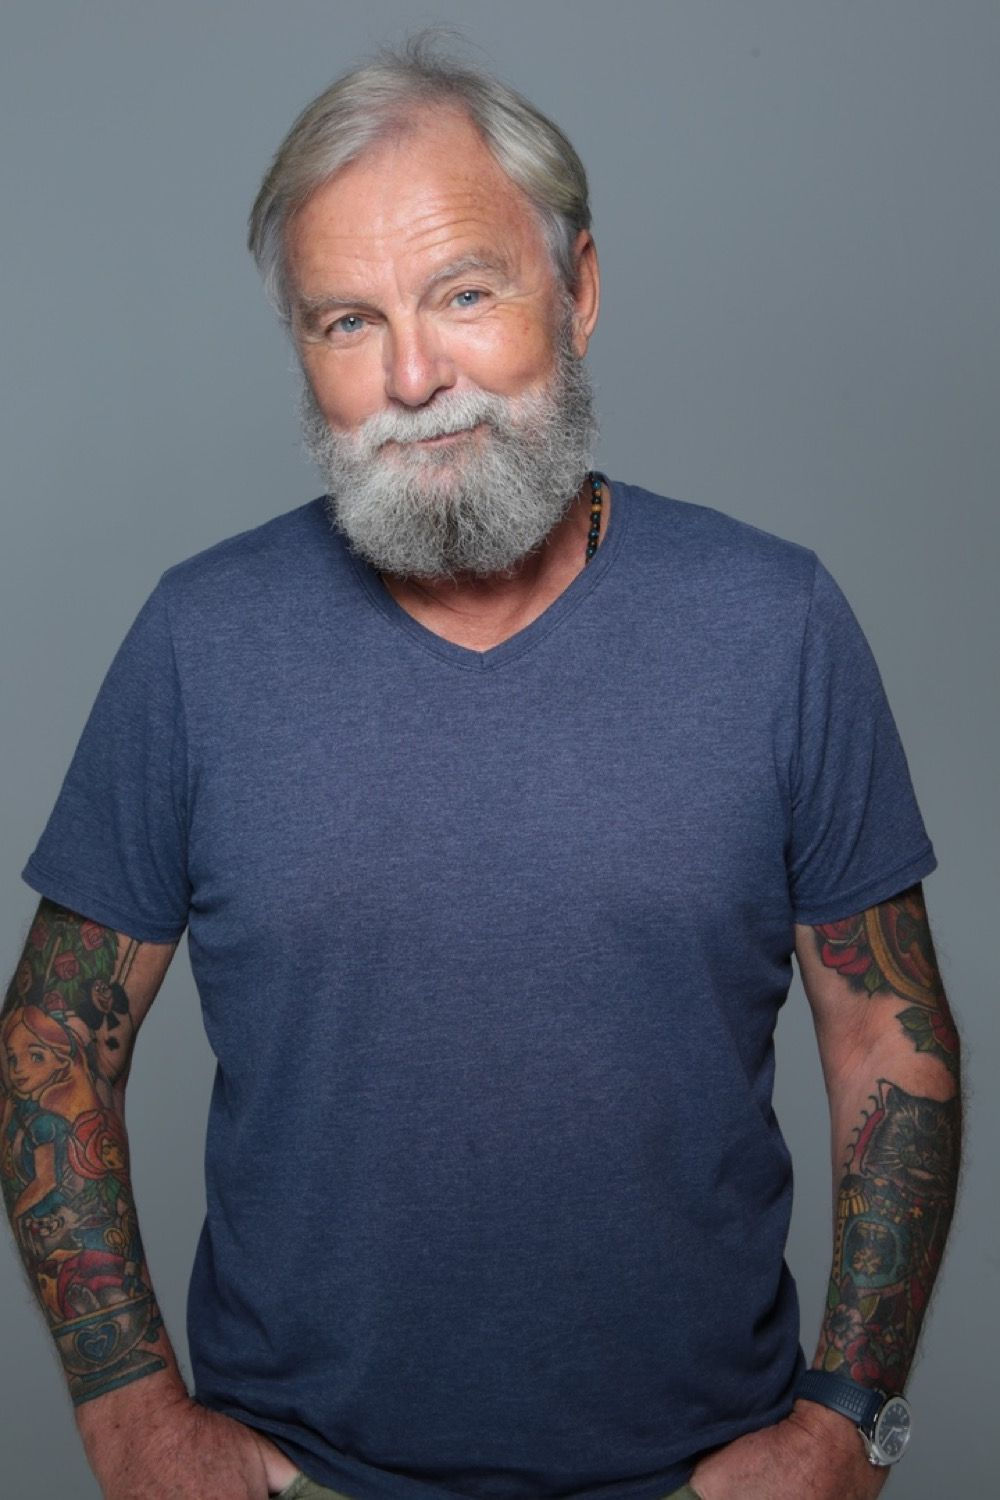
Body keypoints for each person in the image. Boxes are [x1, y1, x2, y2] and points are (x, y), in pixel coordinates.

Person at [2, 36, 961, 1500]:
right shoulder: (201, 641)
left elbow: (888, 1038)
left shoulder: (777, 625)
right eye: (347, 321)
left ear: (579, 290)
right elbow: (52, 1040)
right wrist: (128, 1417)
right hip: (300, 1481)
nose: (412, 377)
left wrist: (852, 1423)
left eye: (464, 293)